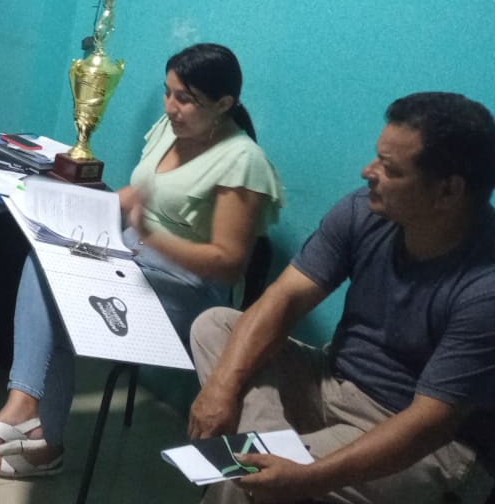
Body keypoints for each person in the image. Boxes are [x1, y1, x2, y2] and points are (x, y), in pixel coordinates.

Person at [0, 43, 284, 479]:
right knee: (43, 261)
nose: (171, 107)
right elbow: (138, 193)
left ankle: (45, 442)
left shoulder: (243, 162)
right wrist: (76, 212)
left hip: (186, 290)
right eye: (168, 92)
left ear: (224, 104)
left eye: (185, 99)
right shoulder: (172, 128)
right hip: (127, 260)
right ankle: (24, 404)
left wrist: (154, 238)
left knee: (60, 315)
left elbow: (228, 263)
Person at [187, 91, 495, 504]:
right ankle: (272, 448)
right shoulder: (365, 211)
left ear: (448, 192)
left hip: (422, 436)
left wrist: (308, 478)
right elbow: (285, 299)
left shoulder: (485, 289)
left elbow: (430, 422)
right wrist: (222, 386)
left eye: (389, 168)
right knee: (215, 326)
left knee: (239, 477)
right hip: (332, 380)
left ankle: (268, 464)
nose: (367, 172)